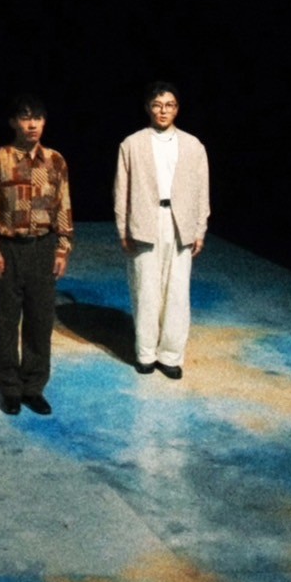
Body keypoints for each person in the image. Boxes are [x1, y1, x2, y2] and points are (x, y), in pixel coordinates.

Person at [0, 94, 73, 417]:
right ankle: (10, 388)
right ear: (13, 122)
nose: (32, 125)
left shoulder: (55, 161)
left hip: (43, 247)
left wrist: (62, 248)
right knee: (5, 321)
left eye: (38, 118)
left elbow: (63, 207)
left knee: (40, 320)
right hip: (8, 248)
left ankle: (33, 387)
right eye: (25, 118)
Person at [114, 82, 211, 380]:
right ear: (148, 108)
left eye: (169, 105)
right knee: (146, 289)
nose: (163, 111)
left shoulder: (193, 145)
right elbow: (121, 190)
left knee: (177, 291)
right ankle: (145, 353)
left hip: (180, 222)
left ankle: (170, 355)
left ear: (177, 108)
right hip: (145, 220)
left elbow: (202, 190)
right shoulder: (132, 144)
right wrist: (123, 229)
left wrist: (200, 229)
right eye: (157, 105)